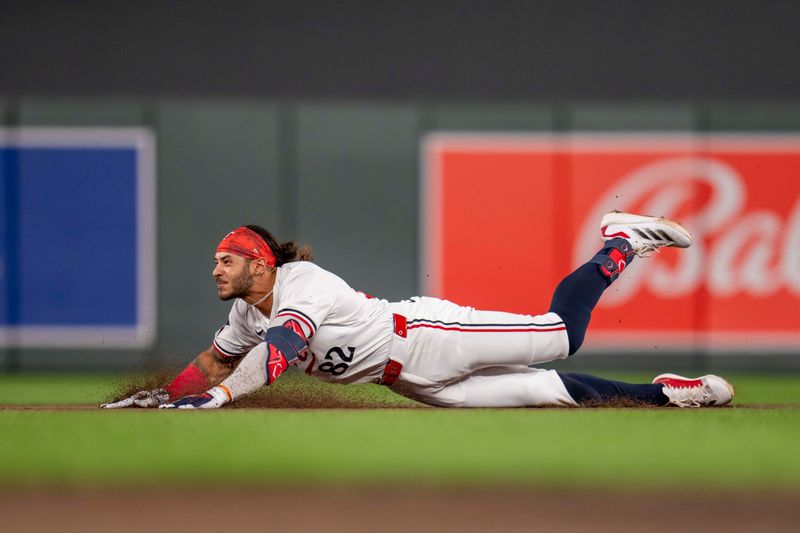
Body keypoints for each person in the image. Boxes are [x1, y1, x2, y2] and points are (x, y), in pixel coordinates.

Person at [101, 212, 734, 410]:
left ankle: (622, 242)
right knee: (552, 392)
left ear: (260, 266)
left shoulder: (302, 284)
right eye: (216, 261)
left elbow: (281, 352)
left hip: (429, 336)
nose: (216, 269)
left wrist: (219, 401)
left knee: (561, 336)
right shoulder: (246, 313)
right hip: (414, 383)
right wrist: (166, 395)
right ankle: (673, 396)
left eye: (226, 261)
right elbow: (215, 362)